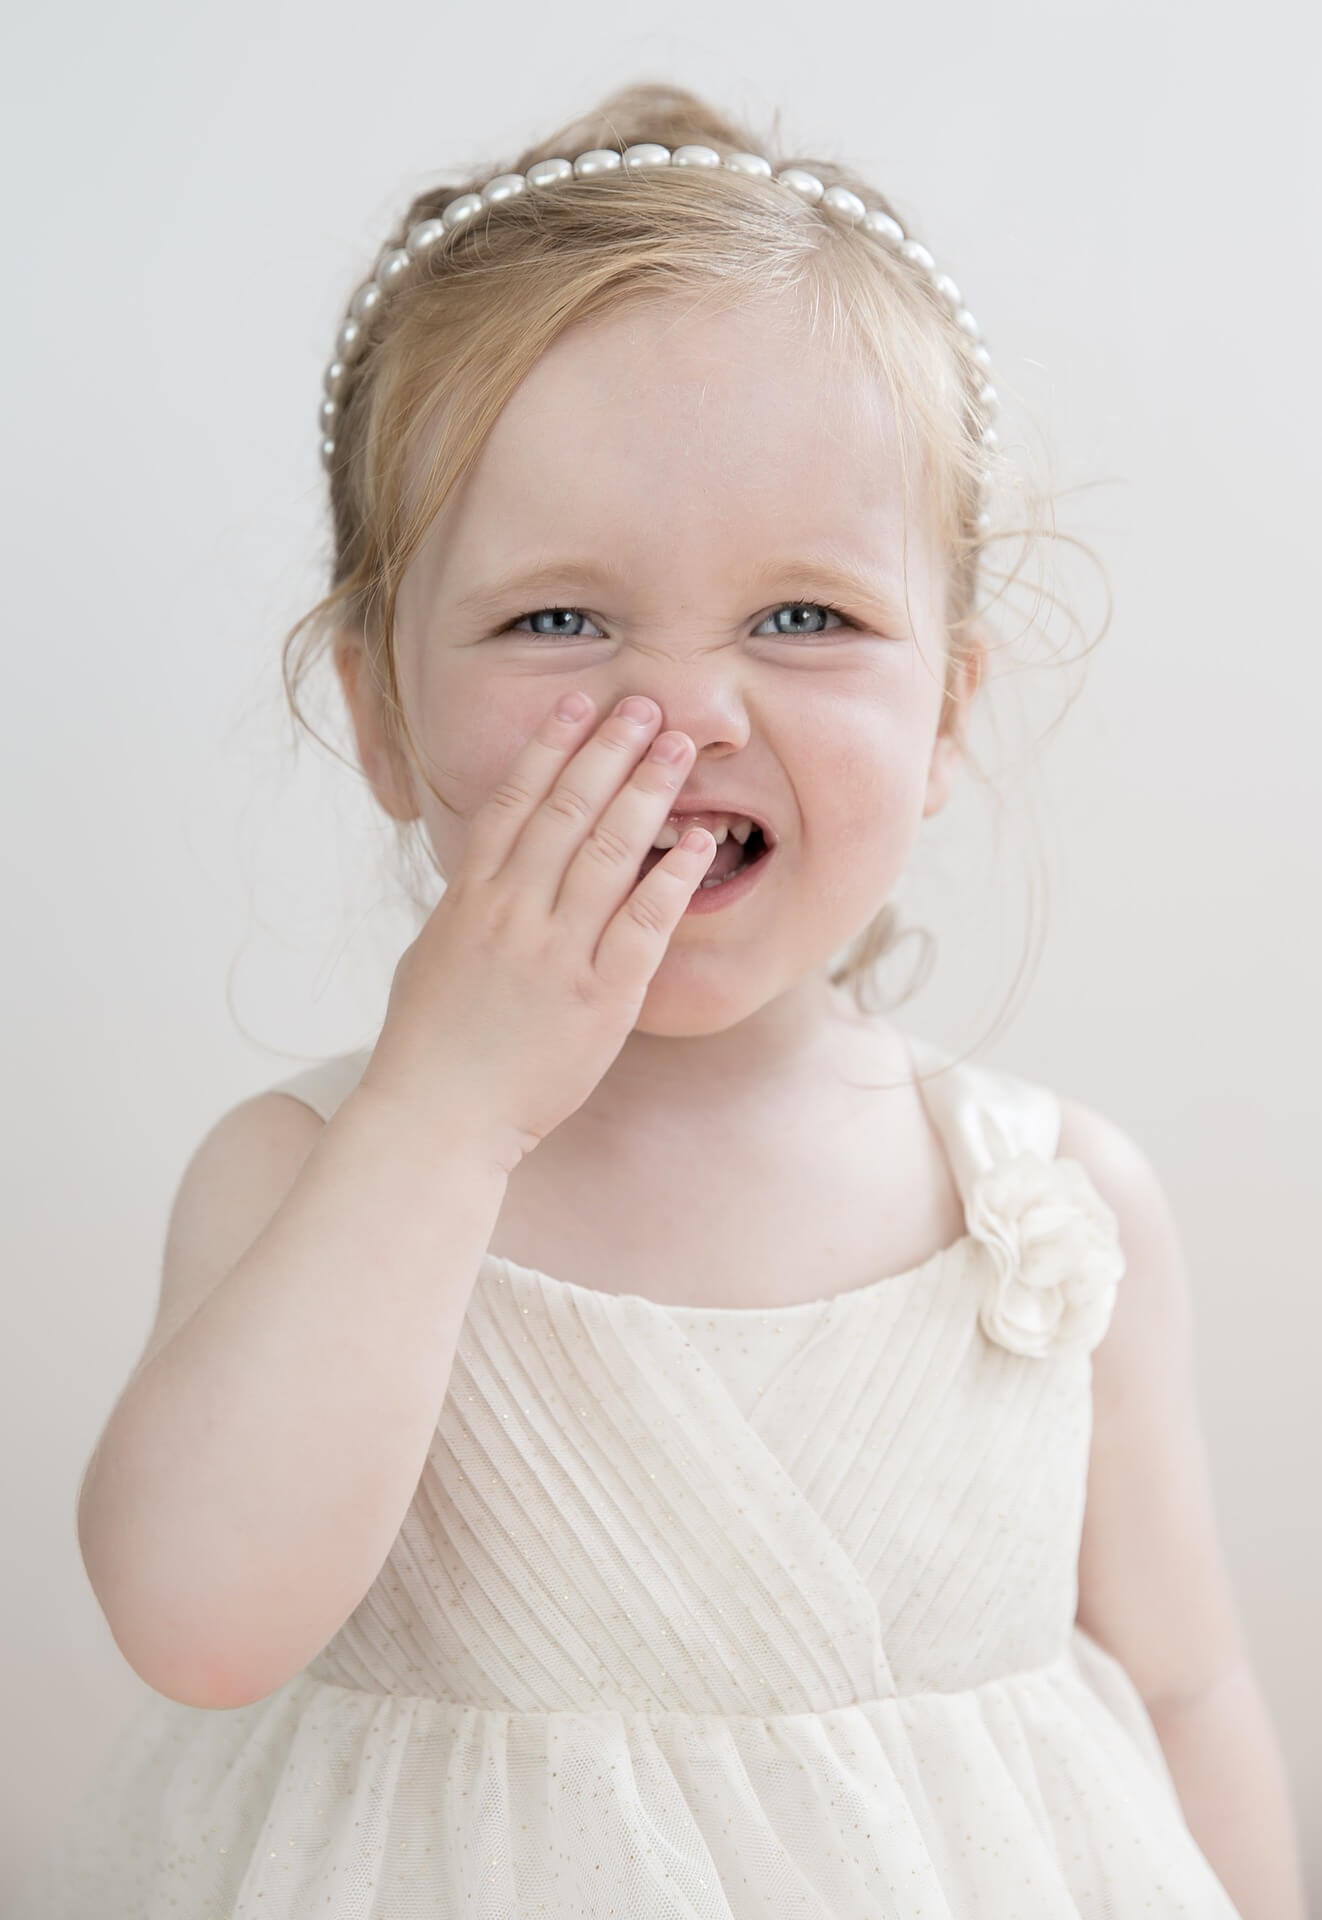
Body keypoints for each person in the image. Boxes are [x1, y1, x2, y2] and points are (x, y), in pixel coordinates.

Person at [11, 81, 1307, 1920]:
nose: (686, 709)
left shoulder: (1050, 1210)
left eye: (804, 620)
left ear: (945, 710)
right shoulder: (310, 1173)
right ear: (380, 715)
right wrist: (442, 1114)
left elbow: (1181, 1685)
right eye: (560, 621)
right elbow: (197, 1625)